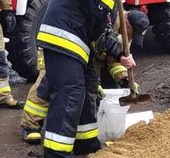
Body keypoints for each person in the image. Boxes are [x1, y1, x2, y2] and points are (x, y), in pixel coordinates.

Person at [36, 0, 154, 158]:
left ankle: (86, 143)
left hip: (80, 42)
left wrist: (120, 53)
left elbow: (101, 31)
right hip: (62, 35)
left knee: (89, 88)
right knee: (70, 92)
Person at [19, 8, 149, 144]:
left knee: (97, 90)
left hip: (88, 54)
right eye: (132, 34)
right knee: (47, 82)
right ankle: (30, 125)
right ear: (127, 24)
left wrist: (124, 78)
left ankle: (86, 124)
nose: (132, 38)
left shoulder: (124, 34)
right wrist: (93, 83)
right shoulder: (106, 20)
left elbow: (112, 60)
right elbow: (87, 48)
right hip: (60, 44)